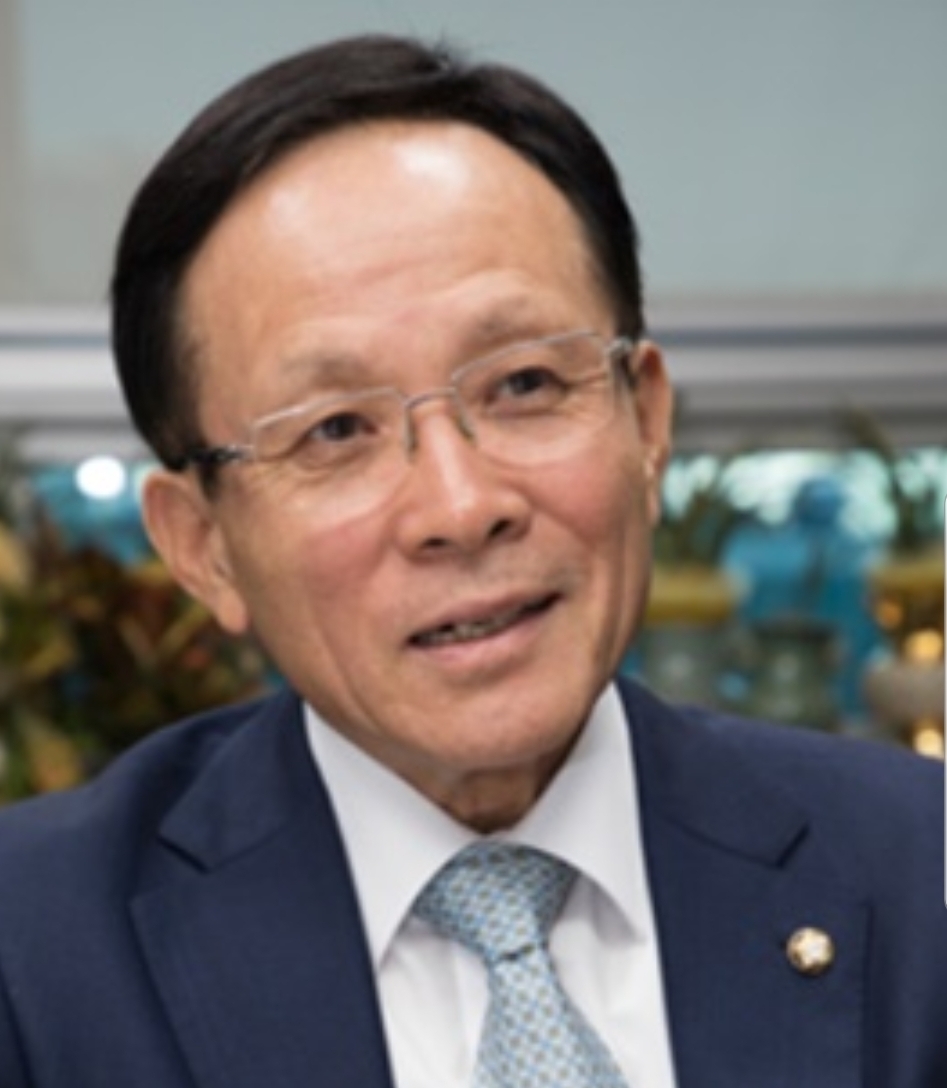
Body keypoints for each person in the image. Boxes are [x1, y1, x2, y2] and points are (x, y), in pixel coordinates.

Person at [0, 34, 944, 1088]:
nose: (459, 507)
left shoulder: (919, 872)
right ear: (201, 545)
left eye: (524, 384)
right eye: (334, 430)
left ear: (645, 423)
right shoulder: (33, 960)